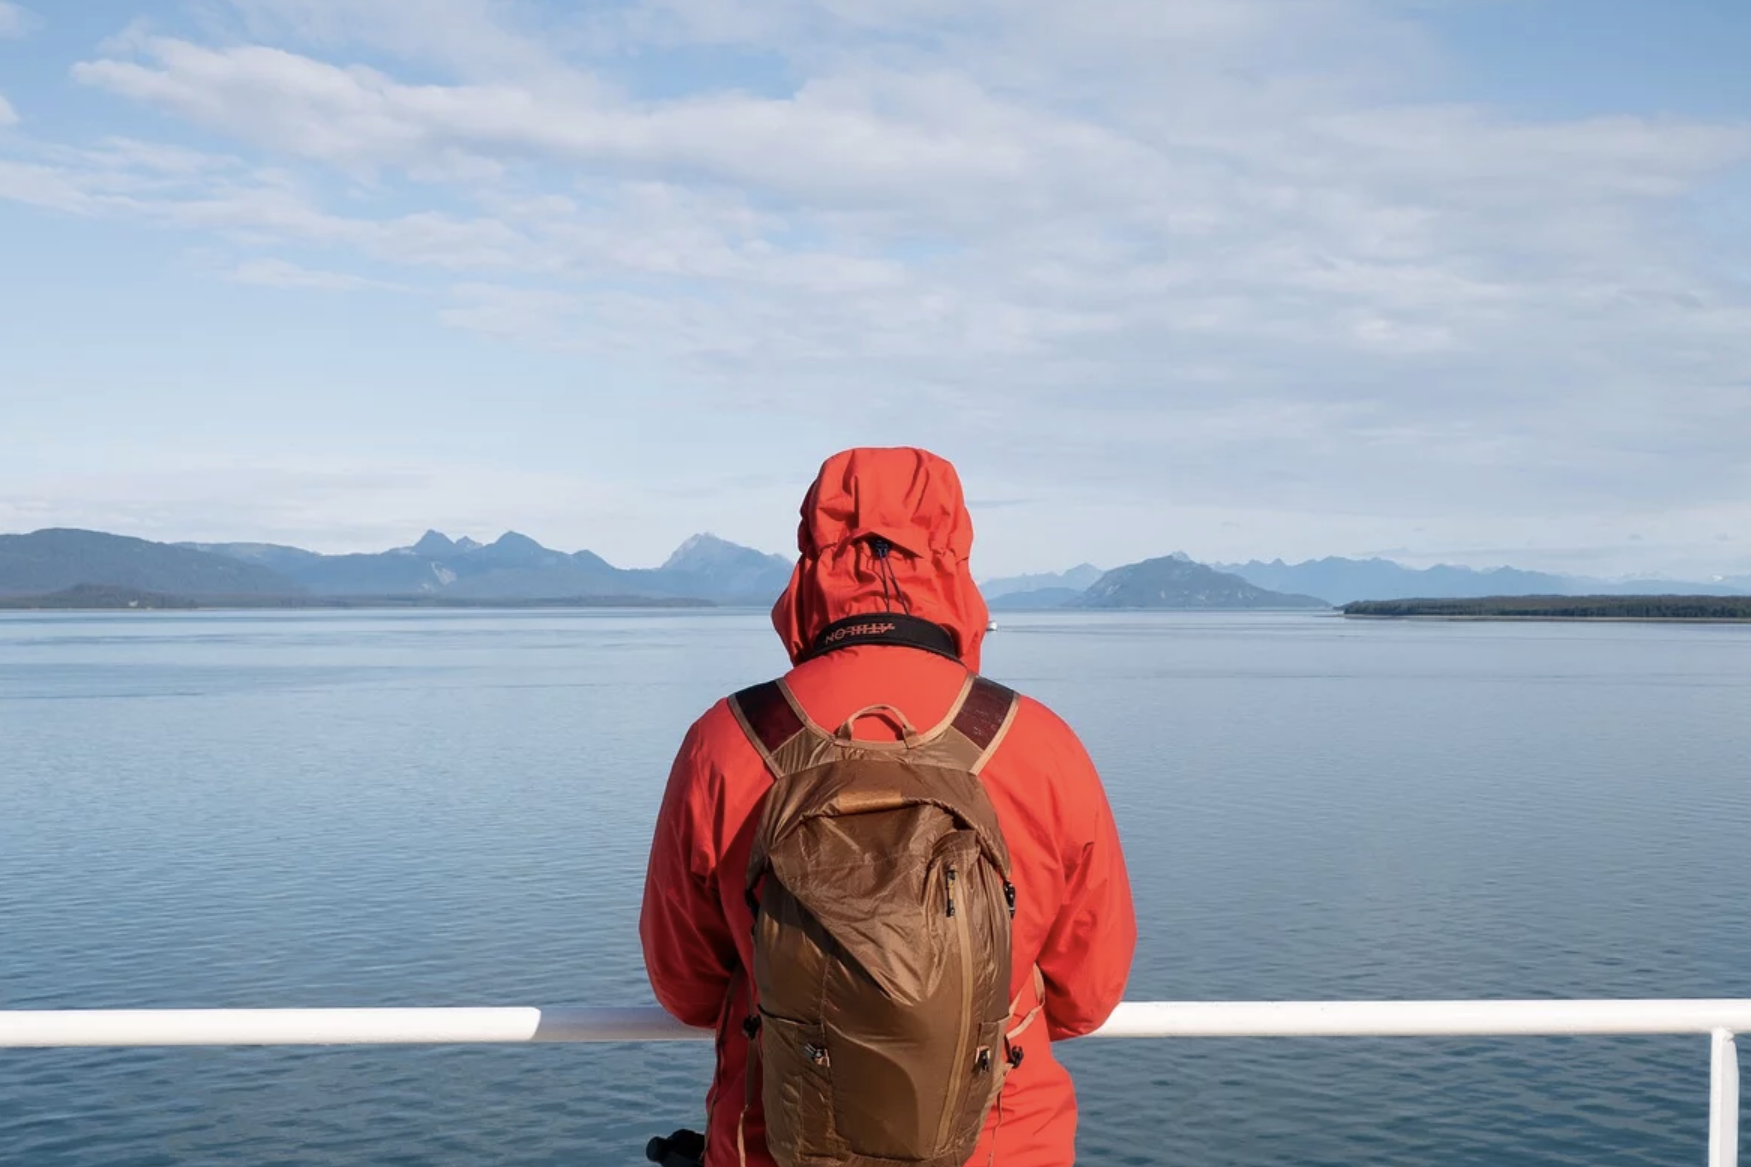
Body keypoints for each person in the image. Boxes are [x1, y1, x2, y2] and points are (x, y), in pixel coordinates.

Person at [640, 446, 1136, 1167]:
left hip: (773, 1143)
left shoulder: (727, 741)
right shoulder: (1037, 743)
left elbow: (684, 985)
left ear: (809, 560)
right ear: (956, 559)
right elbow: (1085, 996)